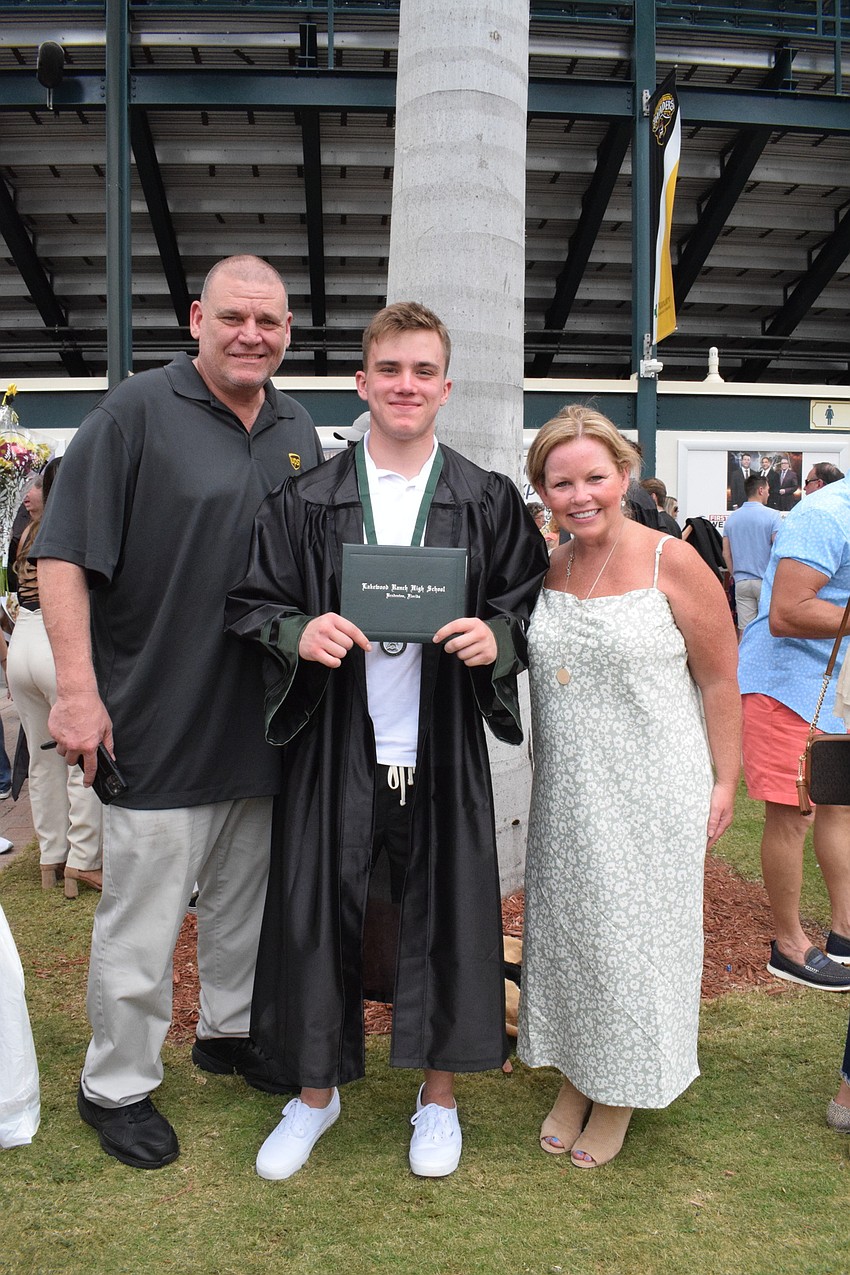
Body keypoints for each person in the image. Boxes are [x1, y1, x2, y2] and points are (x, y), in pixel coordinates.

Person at [225, 301, 549, 1181]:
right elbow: (252, 601)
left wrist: (496, 637)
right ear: (362, 382)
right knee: (316, 916)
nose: (407, 385)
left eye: (423, 371)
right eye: (391, 370)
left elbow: (527, 601)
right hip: (336, 742)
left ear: (446, 387)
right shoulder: (308, 499)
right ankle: (314, 1095)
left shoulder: (484, 498)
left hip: (439, 747)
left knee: (447, 913)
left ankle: (438, 1100)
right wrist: (300, 631)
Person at [32, 254, 325, 1170]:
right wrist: (77, 692)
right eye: (234, 316)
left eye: (269, 321)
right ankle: (115, 1083)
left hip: (267, 723)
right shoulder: (134, 412)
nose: (252, 335)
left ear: (287, 332)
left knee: (245, 904)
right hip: (156, 719)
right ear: (198, 318)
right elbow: (63, 555)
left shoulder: (297, 426)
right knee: (145, 918)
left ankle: (228, 1033)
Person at [517, 405, 740, 1170]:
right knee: (576, 934)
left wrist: (726, 780)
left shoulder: (671, 561)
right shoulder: (549, 566)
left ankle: (620, 1090)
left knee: (636, 942)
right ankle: (579, 1073)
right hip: (570, 792)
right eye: (561, 483)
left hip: (654, 786)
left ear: (623, 474)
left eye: (595, 477)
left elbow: (719, 679)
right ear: (543, 490)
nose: (580, 495)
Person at [737, 469, 850, 991]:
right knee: (793, 816)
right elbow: (787, 611)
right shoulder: (826, 514)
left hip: (834, 689)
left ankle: (844, 933)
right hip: (786, 685)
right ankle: (788, 945)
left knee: (839, 807)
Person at [5, 460, 102, 897]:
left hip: (22, 644)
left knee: (41, 762)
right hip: (55, 641)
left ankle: (51, 856)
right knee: (81, 757)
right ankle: (83, 859)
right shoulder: (74, 528)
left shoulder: (29, 534)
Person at [722, 473, 782, 633]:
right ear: (760, 490)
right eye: (768, 489)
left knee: (745, 630)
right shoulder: (773, 516)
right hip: (766, 581)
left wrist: (735, 574)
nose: (769, 493)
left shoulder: (732, 519)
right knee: (767, 631)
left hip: (741, 581)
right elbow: (779, 548)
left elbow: (726, 553)